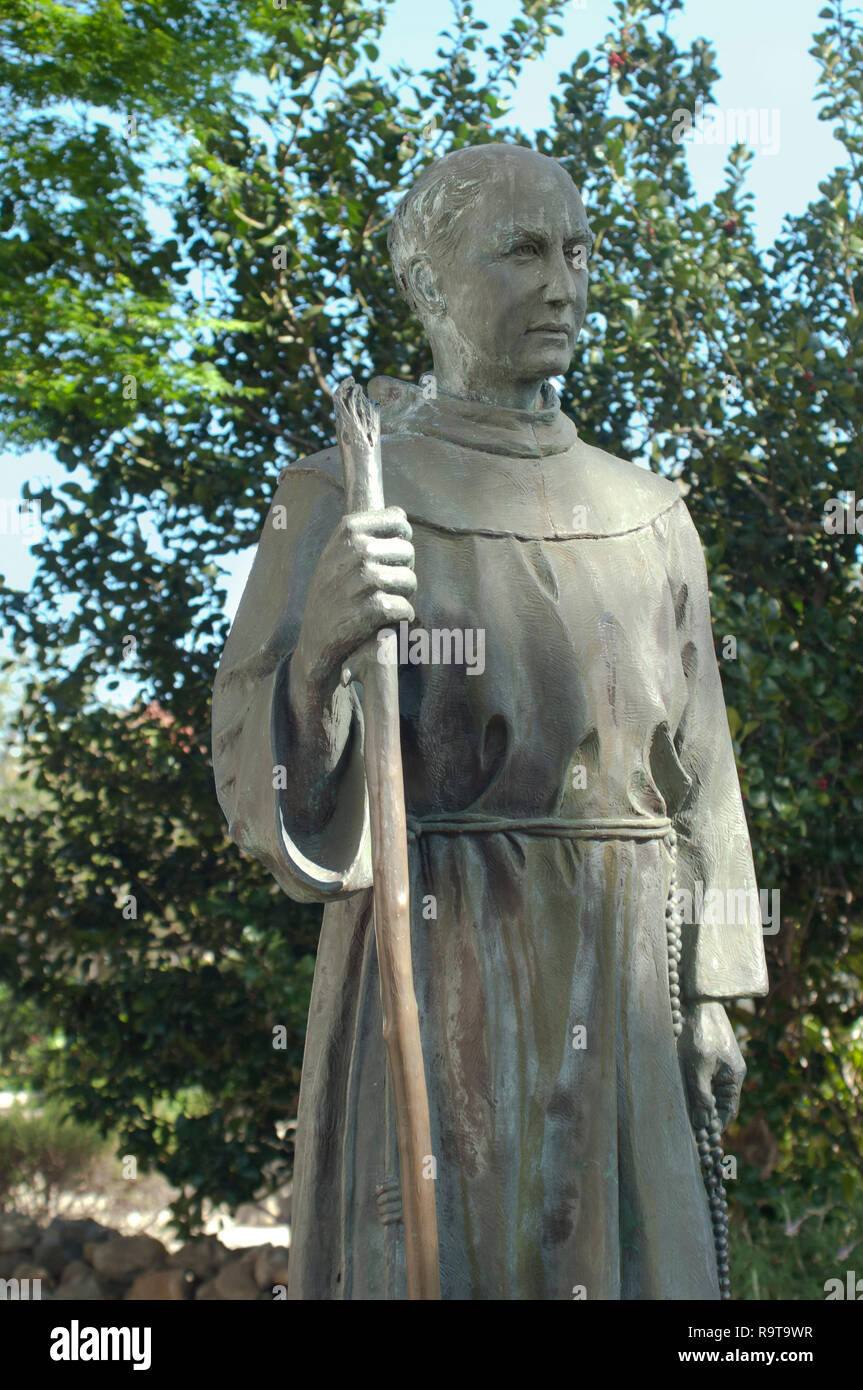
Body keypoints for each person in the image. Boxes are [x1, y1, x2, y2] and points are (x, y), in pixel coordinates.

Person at [212, 143, 768, 1300]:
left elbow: (703, 778)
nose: (562, 283)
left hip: (628, 978)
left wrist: (713, 988)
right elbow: (260, 775)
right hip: (440, 956)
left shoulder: (648, 512)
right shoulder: (342, 492)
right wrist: (318, 649)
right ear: (427, 284)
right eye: (521, 251)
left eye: (576, 250)